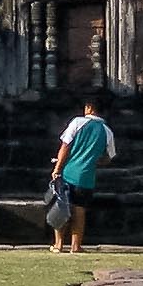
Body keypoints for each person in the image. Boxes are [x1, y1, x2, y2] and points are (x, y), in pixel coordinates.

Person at [49, 96, 116, 254]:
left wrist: (57, 168)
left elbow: (65, 146)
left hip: (68, 171)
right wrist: (93, 161)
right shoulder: (107, 132)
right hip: (86, 177)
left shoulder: (78, 122)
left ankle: (58, 244)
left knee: (61, 207)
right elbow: (109, 157)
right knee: (80, 211)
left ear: (90, 108)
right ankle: (76, 246)